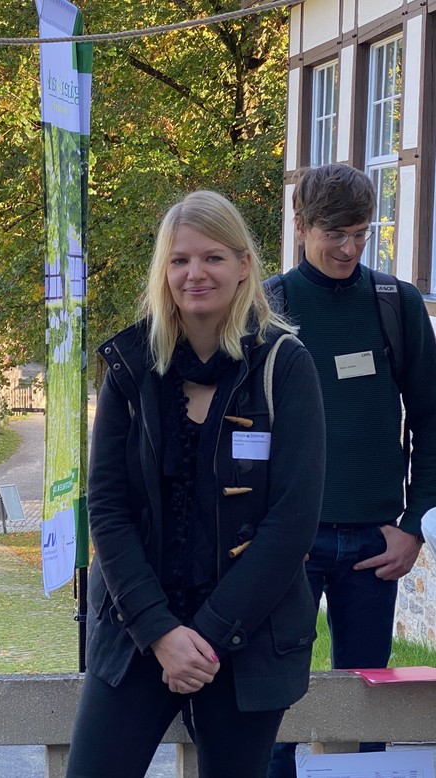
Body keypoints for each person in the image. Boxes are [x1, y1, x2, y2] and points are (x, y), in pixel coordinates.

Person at [67, 191, 326, 777]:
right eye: (180, 260)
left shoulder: (285, 366)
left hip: (247, 631)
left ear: (243, 266)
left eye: (212, 257)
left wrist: (203, 637)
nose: (195, 273)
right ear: (163, 271)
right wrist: (162, 634)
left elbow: (292, 521)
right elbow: (107, 509)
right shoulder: (130, 367)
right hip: (139, 627)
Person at [267, 164, 436, 777]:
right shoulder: (269, 305)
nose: (349, 248)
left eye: (362, 233)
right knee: (274, 696)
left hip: (375, 540)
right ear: (301, 223)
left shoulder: (395, 304)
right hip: (288, 540)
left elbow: (431, 418)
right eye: (335, 233)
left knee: (369, 709)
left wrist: (414, 523)